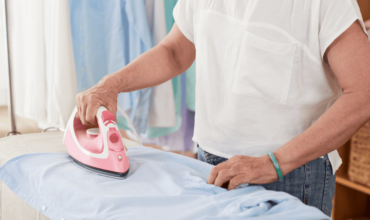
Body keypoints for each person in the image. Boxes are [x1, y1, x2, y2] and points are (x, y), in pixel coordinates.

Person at [76, 0, 370, 216]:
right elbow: (175, 51)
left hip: (290, 173)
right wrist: (112, 84)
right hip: (210, 164)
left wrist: (273, 163)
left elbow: (363, 92)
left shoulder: (325, 5)